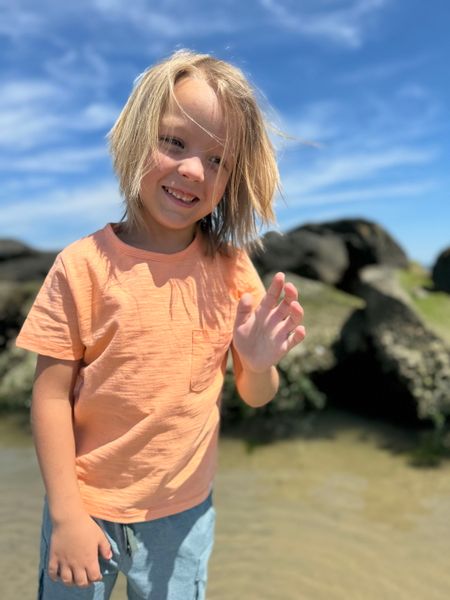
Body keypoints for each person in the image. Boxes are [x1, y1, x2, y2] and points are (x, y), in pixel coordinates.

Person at [16, 49, 306, 600]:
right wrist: (68, 514)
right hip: (85, 508)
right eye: (174, 142)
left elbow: (256, 394)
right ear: (134, 136)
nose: (194, 169)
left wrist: (261, 364)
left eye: (218, 159)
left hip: (183, 514)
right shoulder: (82, 266)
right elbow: (50, 397)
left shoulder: (230, 268)